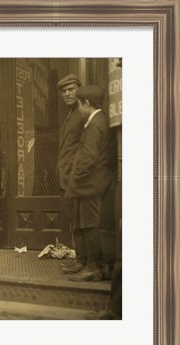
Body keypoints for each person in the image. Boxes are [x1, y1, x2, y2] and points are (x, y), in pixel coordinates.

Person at [64, 86, 117, 282]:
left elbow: (88, 157)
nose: (78, 108)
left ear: (87, 103)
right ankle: (94, 265)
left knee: (89, 224)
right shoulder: (99, 121)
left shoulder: (95, 123)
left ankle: (93, 268)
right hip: (93, 183)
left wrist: (75, 179)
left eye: (79, 104)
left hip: (90, 185)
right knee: (87, 223)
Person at [55, 74, 87, 274]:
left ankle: (85, 262)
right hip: (67, 177)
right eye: (64, 91)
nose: (67, 94)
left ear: (79, 89)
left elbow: (85, 148)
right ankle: (81, 259)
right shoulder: (69, 114)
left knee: (83, 220)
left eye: (71, 89)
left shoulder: (83, 113)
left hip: (77, 177)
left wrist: (76, 174)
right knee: (75, 220)